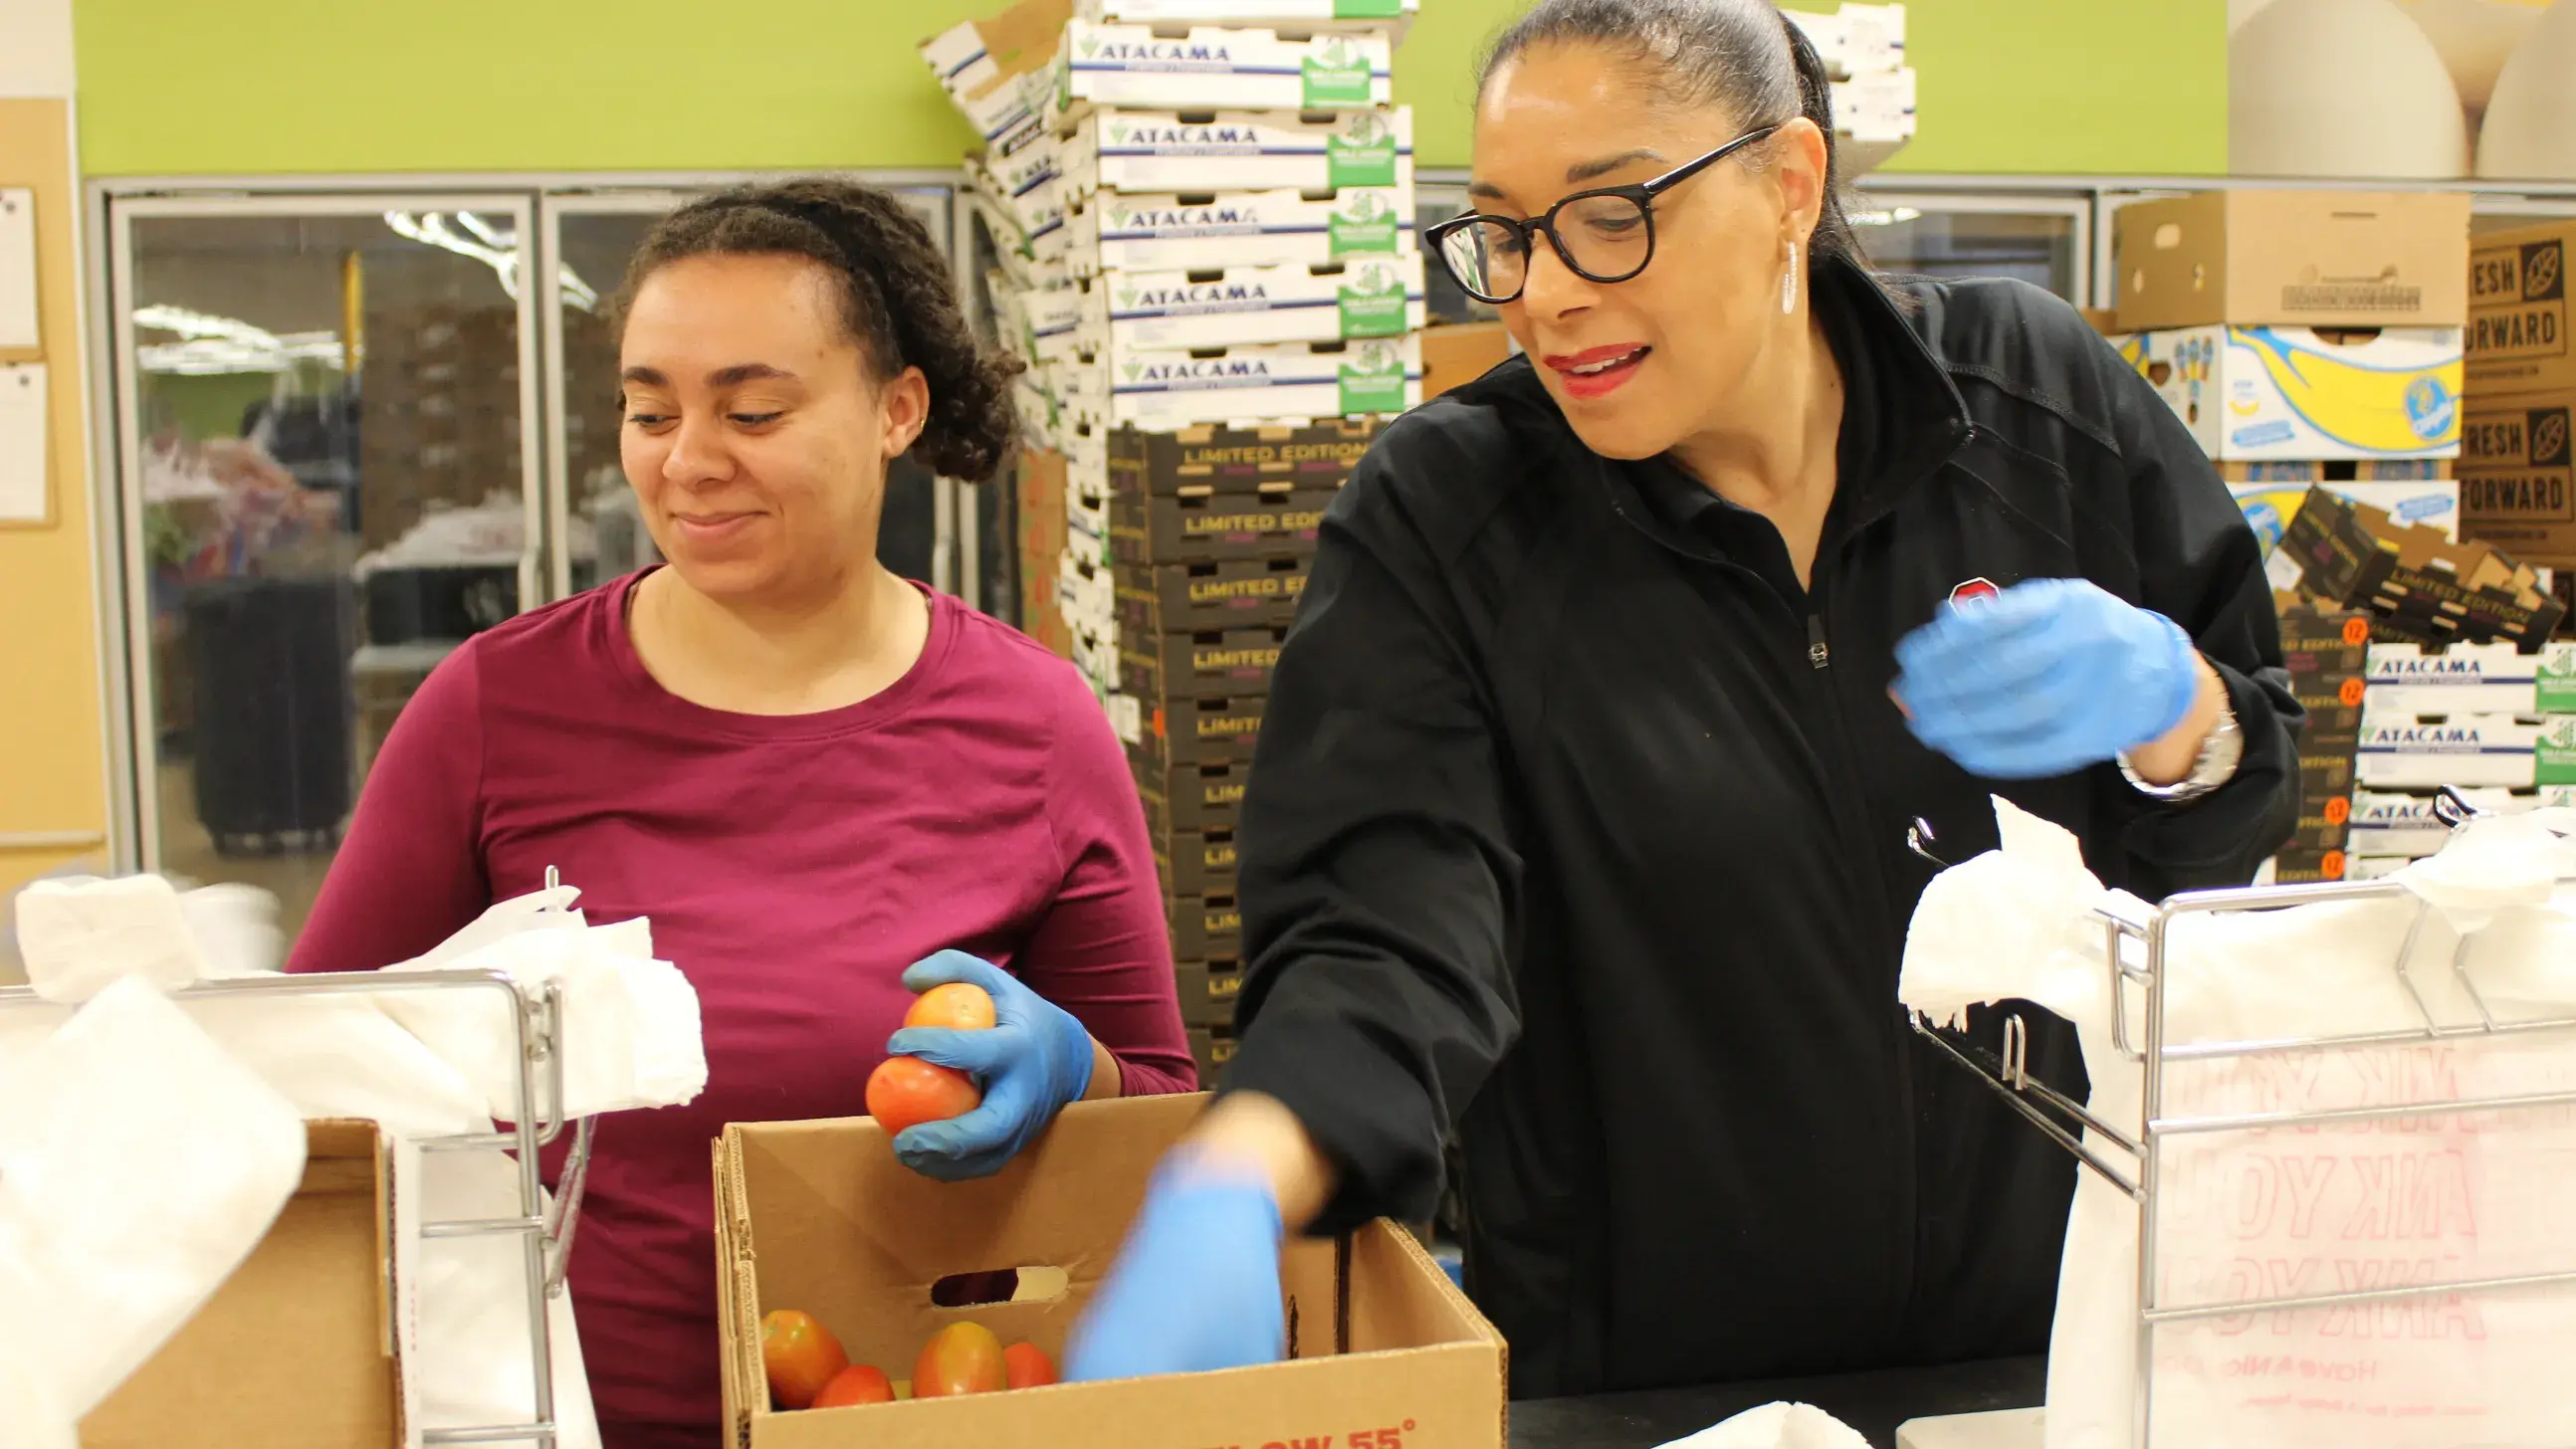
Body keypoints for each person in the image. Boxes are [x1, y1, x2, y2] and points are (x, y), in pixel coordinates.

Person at [1066, 0, 2298, 1399]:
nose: (1543, 294)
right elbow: (1388, 926)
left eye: (1607, 217)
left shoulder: (2034, 408)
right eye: (1508, 234)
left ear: (1789, 185)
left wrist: (2177, 719)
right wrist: (1243, 1173)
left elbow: (2234, 827)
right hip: (1648, 1394)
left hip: (2059, 1361)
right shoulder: (1451, 518)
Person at [289, 178, 1196, 1446]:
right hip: (561, 1417)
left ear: (896, 410)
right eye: (647, 409)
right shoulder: (494, 710)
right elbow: (302, 1090)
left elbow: (1159, 1107)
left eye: (752, 408)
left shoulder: (1033, 724)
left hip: (914, 1407)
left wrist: (1074, 1069)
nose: (686, 458)